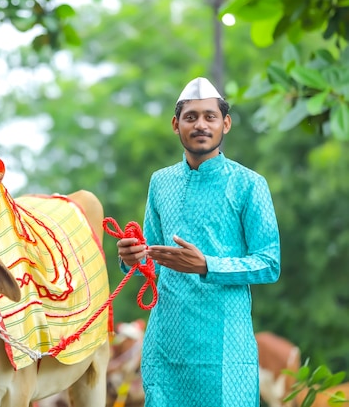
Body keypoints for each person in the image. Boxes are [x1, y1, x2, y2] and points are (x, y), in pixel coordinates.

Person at [116, 77, 280, 407]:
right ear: (176, 125)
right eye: (191, 117)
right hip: (166, 344)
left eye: (210, 116)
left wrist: (208, 265)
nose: (201, 124)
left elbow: (269, 263)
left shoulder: (250, 184)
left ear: (226, 124)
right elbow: (151, 259)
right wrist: (132, 257)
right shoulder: (160, 182)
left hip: (225, 349)